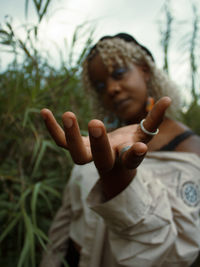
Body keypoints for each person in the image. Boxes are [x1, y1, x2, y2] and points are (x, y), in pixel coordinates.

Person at [40, 33, 200, 267]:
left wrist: (118, 180)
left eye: (119, 73)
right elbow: (66, 220)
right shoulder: (99, 143)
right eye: (100, 85)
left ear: (145, 70)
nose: (112, 89)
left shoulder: (187, 148)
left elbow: (174, 255)